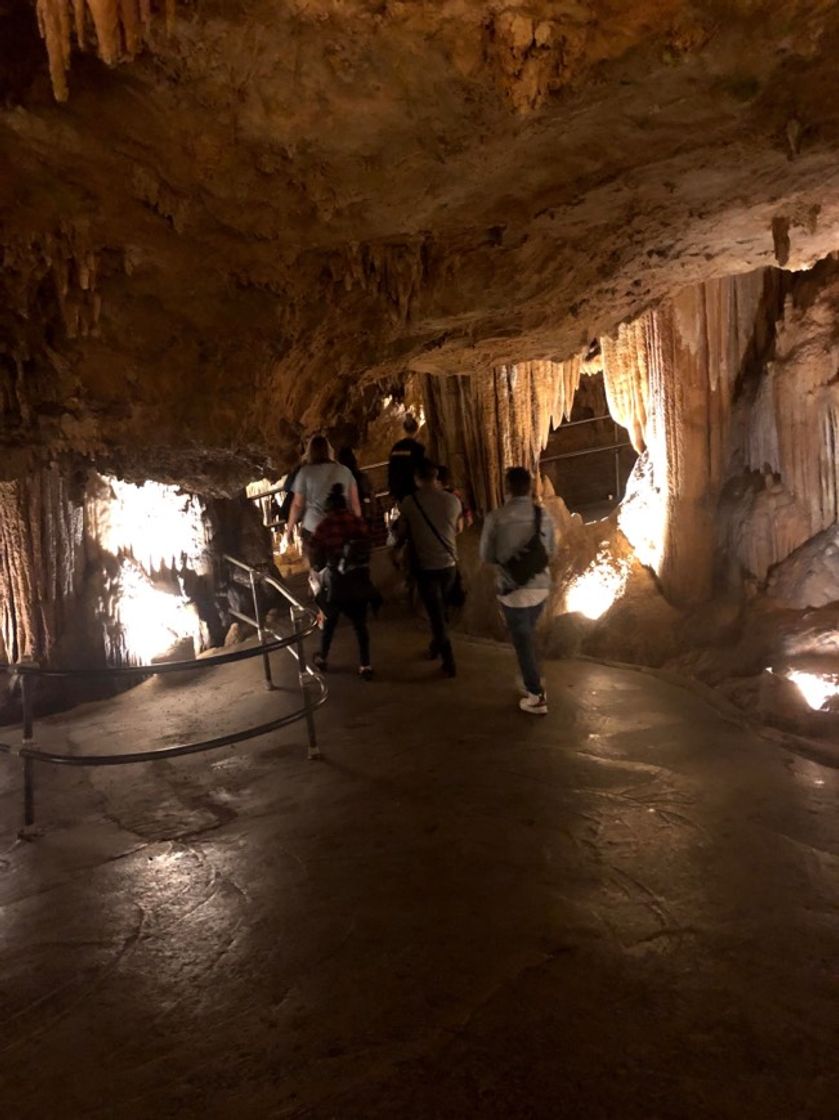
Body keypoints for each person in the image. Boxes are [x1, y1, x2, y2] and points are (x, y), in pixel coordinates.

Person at [479, 467, 556, 715]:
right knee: (528, 635)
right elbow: (551, 550)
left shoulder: (496, 518)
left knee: (522, 641)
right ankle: (532, 678)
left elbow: (486, 556)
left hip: (512, 591)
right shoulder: (542, 515)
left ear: (507, 488)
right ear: (530, 488)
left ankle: (536, 695)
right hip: (540, 588)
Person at [398, 459, 463, 678]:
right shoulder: (453, 501)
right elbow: (456, 527)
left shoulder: (409, 503)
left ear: (417, 479)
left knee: (436, 615)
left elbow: (402, 532)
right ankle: (437, 645)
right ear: (436, 477)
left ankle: (449, 661)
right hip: (449, 565)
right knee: (441, 610)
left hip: (426, 567)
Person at [308, 484, 375, 680]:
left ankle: (322, 657)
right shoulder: (357, 521)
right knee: (360, 625)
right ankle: (365, 664)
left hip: (336, 581)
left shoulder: (325, 526)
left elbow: (314, 549)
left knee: (330, 621)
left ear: (328, 508)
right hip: (359, 578)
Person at [287, 435, 361, 544]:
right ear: (329, 450)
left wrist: (289, 530)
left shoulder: (305, 472)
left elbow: (297, 505)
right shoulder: (344, 471)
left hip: (313, 527)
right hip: (338, 526)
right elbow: (355, 503)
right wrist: (357, 526)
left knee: (314, 558)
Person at [387, 415, 425, 502]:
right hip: (413, 489)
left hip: (399, 488)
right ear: (417, 429)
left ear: (404, 429)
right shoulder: (418, 448)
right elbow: (421, 468)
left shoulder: (396, 447)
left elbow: (391, 469)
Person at [337, 446, 374, 520]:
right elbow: (368, 495)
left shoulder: (338, 479)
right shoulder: (361, 477)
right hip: (361, 512)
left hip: (345, 516)